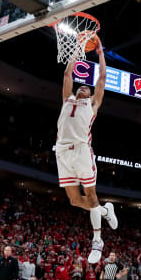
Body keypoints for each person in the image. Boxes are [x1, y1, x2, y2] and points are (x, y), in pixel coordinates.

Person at [57, 40, 117, 264]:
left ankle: (98, 241)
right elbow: (66, 75)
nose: (82, 87)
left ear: (91, 94)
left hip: (82, 150)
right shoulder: (67, 99)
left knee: (90, 196)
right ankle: (105, 210)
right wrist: (75, 51)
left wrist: (101, 54)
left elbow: (101, 78)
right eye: (80, 86)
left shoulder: (92, 104)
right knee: (74, 200)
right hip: (62, 152)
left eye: (86, 87)